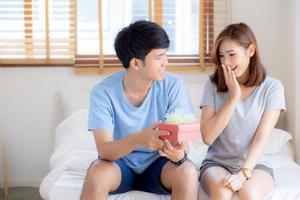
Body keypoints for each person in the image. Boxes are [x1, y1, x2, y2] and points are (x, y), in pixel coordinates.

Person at [80, 20, 199, 200]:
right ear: (136, 63)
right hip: (119, 165)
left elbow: (184, 142)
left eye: (165, 55)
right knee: (97, 173)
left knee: (188, 171)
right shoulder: (103, 93)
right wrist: (139, 139)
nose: (166, 62)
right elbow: (104, 151)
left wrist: (179, 154)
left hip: (160, 163)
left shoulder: (173, 85)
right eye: (159, 57)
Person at [199, 22, 286, 200]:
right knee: (222, 194)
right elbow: (207, 137)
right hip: (217, 163)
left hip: (256, 165)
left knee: (248, 193)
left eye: (232, 55)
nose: (226, 63)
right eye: (222, 56)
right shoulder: (213, 84)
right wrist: (233, 98)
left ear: (251, 51)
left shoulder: (272, 87)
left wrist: (243, 174)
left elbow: (261, 138)